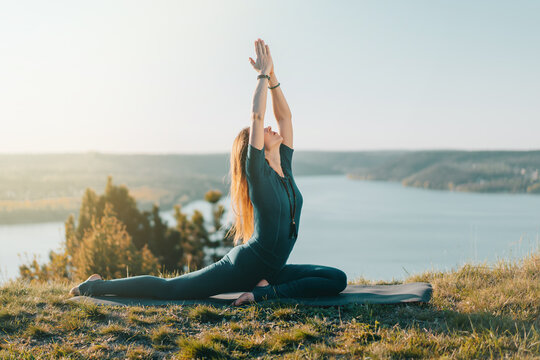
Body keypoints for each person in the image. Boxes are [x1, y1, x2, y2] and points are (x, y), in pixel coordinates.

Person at [69, 38, 347, 306]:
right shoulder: (258, 173)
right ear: (257, 147)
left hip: (272, 270)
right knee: (171, 289)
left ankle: (265, 291)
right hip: (242, 267)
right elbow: (257, 116)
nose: (270, 127)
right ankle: (94, 285)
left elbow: (285, 117)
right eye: (262, 132)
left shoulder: (284, 163)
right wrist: (261, 76)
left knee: (336, 279)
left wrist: (273, 76)